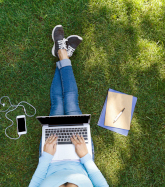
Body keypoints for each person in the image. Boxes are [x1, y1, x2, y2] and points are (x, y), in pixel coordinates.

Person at [29, 25, 109, 187]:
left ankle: (61, 53)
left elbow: (36, 182)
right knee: (72, 101)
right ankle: (62, 53)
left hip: (51, 159)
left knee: (57, 105)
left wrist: (46, 157)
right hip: (80, 157)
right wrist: (85, 157)